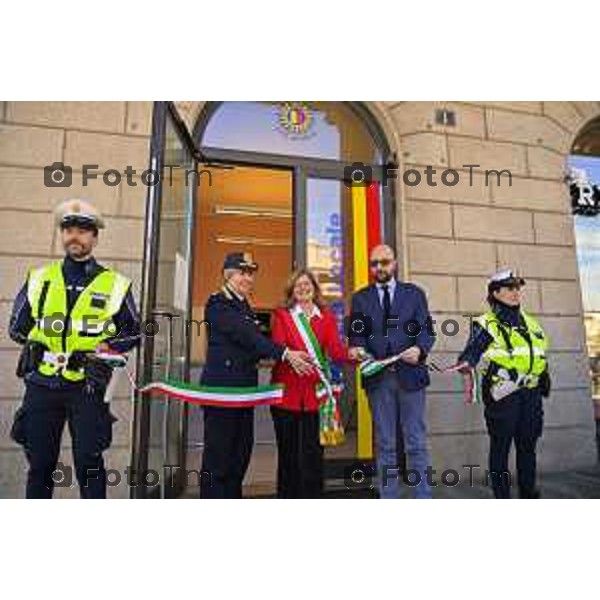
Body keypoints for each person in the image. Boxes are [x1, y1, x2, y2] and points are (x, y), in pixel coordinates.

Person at [8, 199, 141, 499]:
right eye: (68, 228)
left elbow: (133, 331)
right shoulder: (39, 278)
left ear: (95, 237)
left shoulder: (115, 284)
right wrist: (35, 344)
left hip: (88, 387)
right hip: (42, 384)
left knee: (89, 463)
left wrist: (108, 346)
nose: (74, 236)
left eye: (83, 229)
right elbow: (16, 326)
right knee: (40, 464)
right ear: (62, 234)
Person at [200, 252, 313, 499]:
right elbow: (248, 337)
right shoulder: (218, 303)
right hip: (222, 395)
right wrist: (285, 353)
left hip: (244, 394)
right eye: (242, 272)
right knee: (218, 459)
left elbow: (255, 345)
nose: (248, 278)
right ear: (228, 274)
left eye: (250, 273)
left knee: (240, 456)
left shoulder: (245, 307)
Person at [453, 269, 551, 499]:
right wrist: (466, 362)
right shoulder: (486, 323)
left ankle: (528, 493)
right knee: (501, 448)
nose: (516, 292)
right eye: (510, 287)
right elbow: (472, 350)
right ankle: (502, 497)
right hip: (504, 395)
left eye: (517, 287)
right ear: (495, 293)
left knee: (528, 446)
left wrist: (543, 374)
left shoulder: (531, 322)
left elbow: (538, 353)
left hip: (531, 395)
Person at [348, 244, 435, 499]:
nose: (379, 268)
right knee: (385, 443)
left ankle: (423, 496)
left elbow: (426, 330)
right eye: (374, 264)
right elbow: (357, 334)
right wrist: (358, 349)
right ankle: (389, 497)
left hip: (411, 375)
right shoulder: (361, 298)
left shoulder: (414, 294)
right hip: (378, 378)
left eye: (384, 262)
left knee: (416, 442)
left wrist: (419, 350)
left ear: (394, 263)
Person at [270, 269, 350, 498]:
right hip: (286, 398)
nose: (303, 288)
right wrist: (292, 357)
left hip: (316, 399)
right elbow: (279, 346)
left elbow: (336, 350)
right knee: (288, 457)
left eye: (307, 284)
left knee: (313, 457)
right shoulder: (283, 316)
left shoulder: (325, 317)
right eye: (298, 285)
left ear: (314, 289)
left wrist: (355, 354)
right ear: (292, 291)